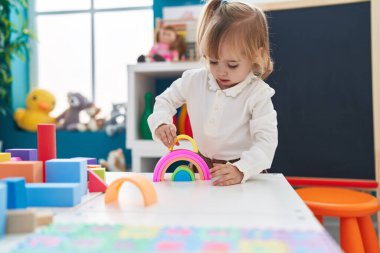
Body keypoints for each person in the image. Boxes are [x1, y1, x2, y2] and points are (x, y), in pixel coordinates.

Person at [148, 0, 278, 186]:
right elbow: (165, 100)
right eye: (213, 61)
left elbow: (266, 143)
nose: (221, 71)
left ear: (256, 55)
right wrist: (161, 121)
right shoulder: (194, 80)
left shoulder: (258, 94)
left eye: (232, 64)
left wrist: (242, 169)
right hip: (201, 165)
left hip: (243, 173)